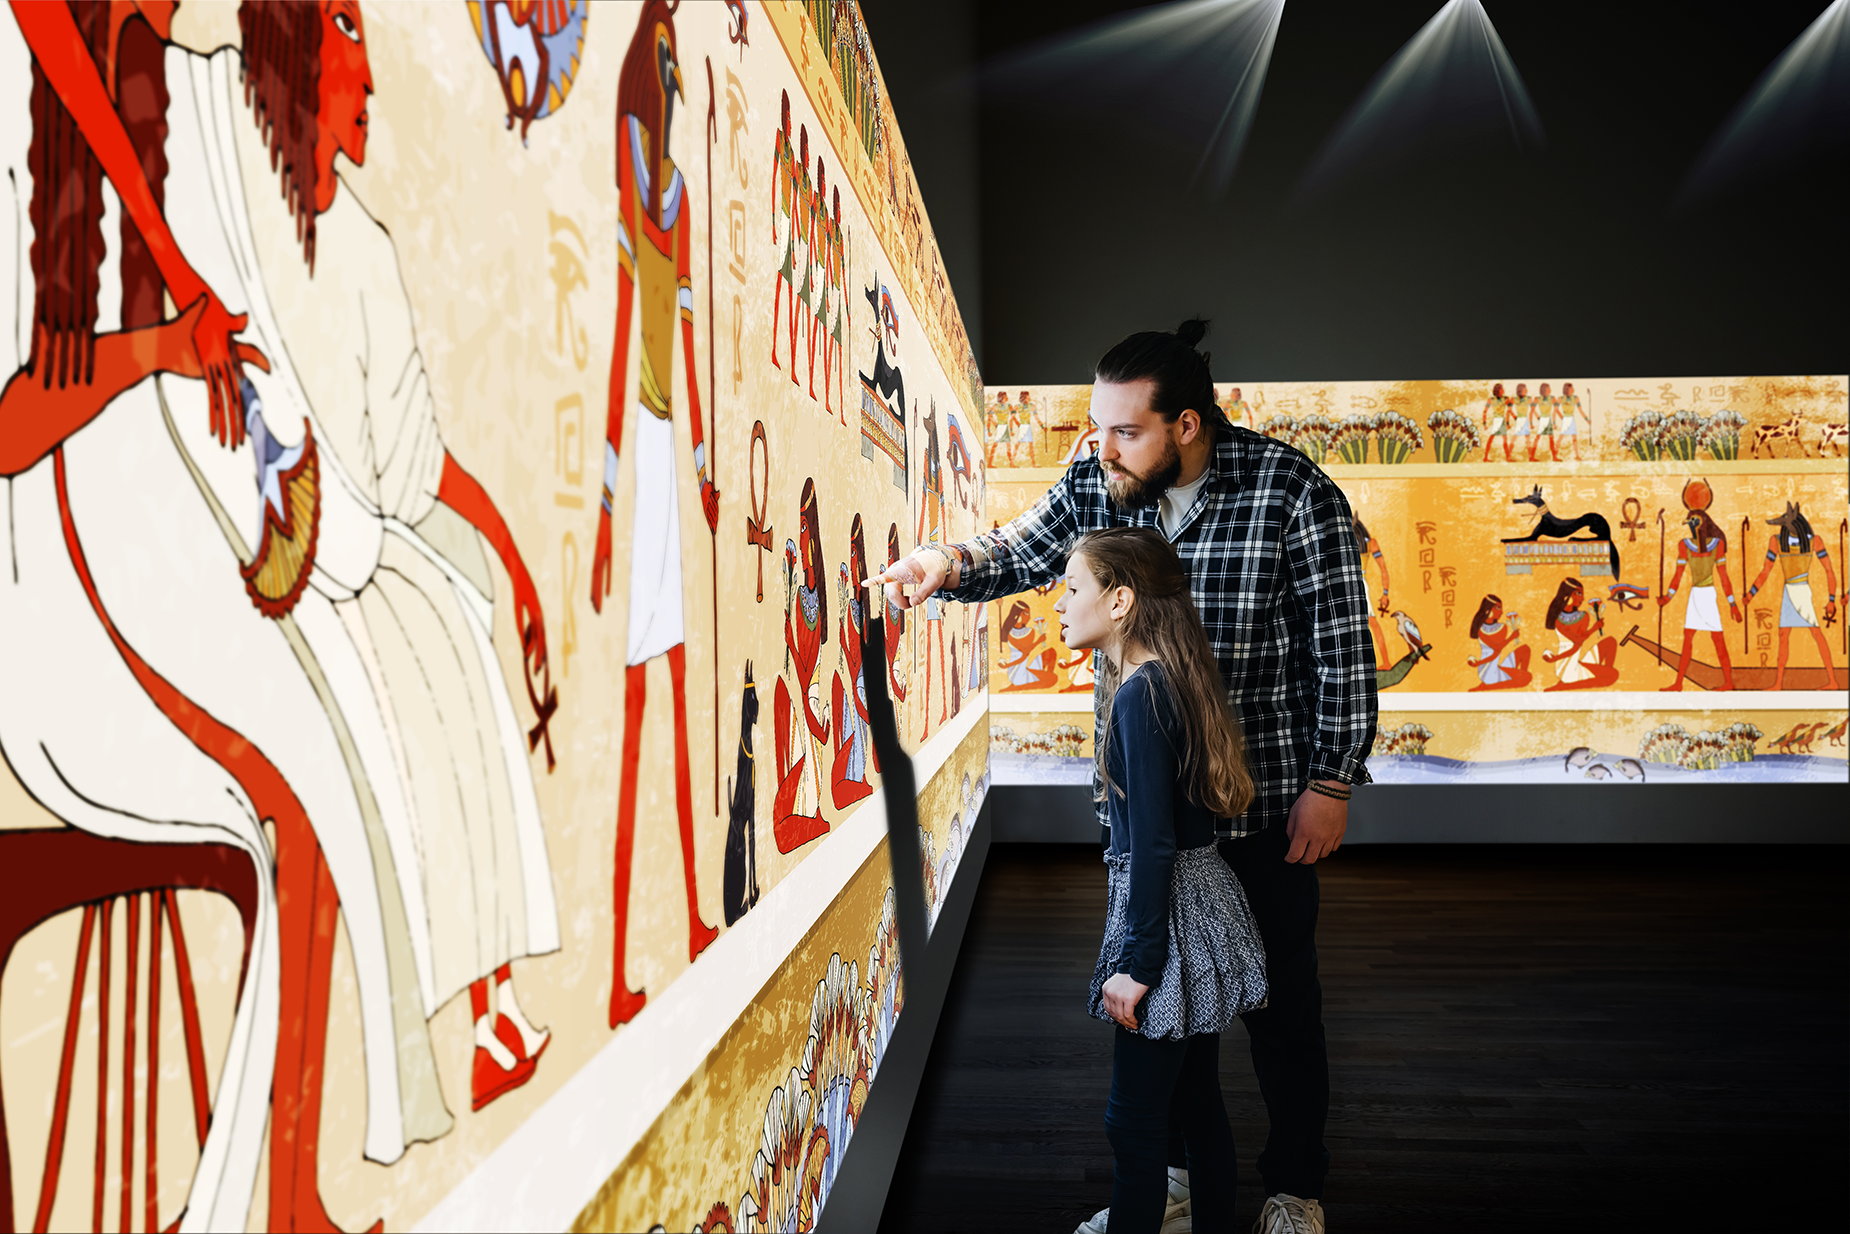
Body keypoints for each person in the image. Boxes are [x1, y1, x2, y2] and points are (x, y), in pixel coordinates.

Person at [872, 319, 1376, 1234]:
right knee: (1170, 1018)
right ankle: (1179, 1181)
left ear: (1186, 424)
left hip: (1262, 805)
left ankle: (1296, 1189)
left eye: (1124, 430)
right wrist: (941, 563)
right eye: (1095, 428)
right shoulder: (1096, 478)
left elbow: (1339, 652)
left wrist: (1332, 781)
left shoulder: (1291, 491)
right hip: (1146, 813)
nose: (1099, 449)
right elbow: (1023, 551)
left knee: (1281, 1009)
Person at [1057, 527, 1268, 1234]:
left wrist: (1139, 965)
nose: (1062, 603)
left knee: (1134, 1121)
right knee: (1196, 1100)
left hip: (1169, 923)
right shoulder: (1166, 679)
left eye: (1074, 587)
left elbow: (1150, 845)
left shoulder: (1136, 698)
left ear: (1120, 601)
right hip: (1201, 901)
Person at [1744, 502, 1842, 690]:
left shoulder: (1815, 541)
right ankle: (1778, 683)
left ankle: (1833, 681)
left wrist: (1831, 599)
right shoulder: (1777, 541)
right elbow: (1766, 570)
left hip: (1802, 591)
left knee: (1815, 633)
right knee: (1783, 635)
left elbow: (1829, 570)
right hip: (1788, 591)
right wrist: (1751, 593)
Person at [1541, 579, 1619, 690]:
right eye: (1580, 594)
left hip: (1576, 662)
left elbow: (1578, 643)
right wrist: (1594, 628)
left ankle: (1599, 677)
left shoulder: (1583, 616)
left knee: (1610, 642)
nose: (1582, 598)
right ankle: (1564, 687)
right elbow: (1577, 643)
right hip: (1566, 667)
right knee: (1613, 675)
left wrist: (1594, 628)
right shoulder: (1558, 620)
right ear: (1569, 595)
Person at [1466, 594, 1531, 689]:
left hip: (1495, 667)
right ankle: (1487, 687)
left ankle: (1518, 677)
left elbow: (1497, 650)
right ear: (1489, 609)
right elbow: (1496, 649)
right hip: (1487, 671)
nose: (1502, 612)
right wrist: (1511, 638)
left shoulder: (1502, 627)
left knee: (1525, 649)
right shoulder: (1480, 630)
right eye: (1498, 608)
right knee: (1528, 678)